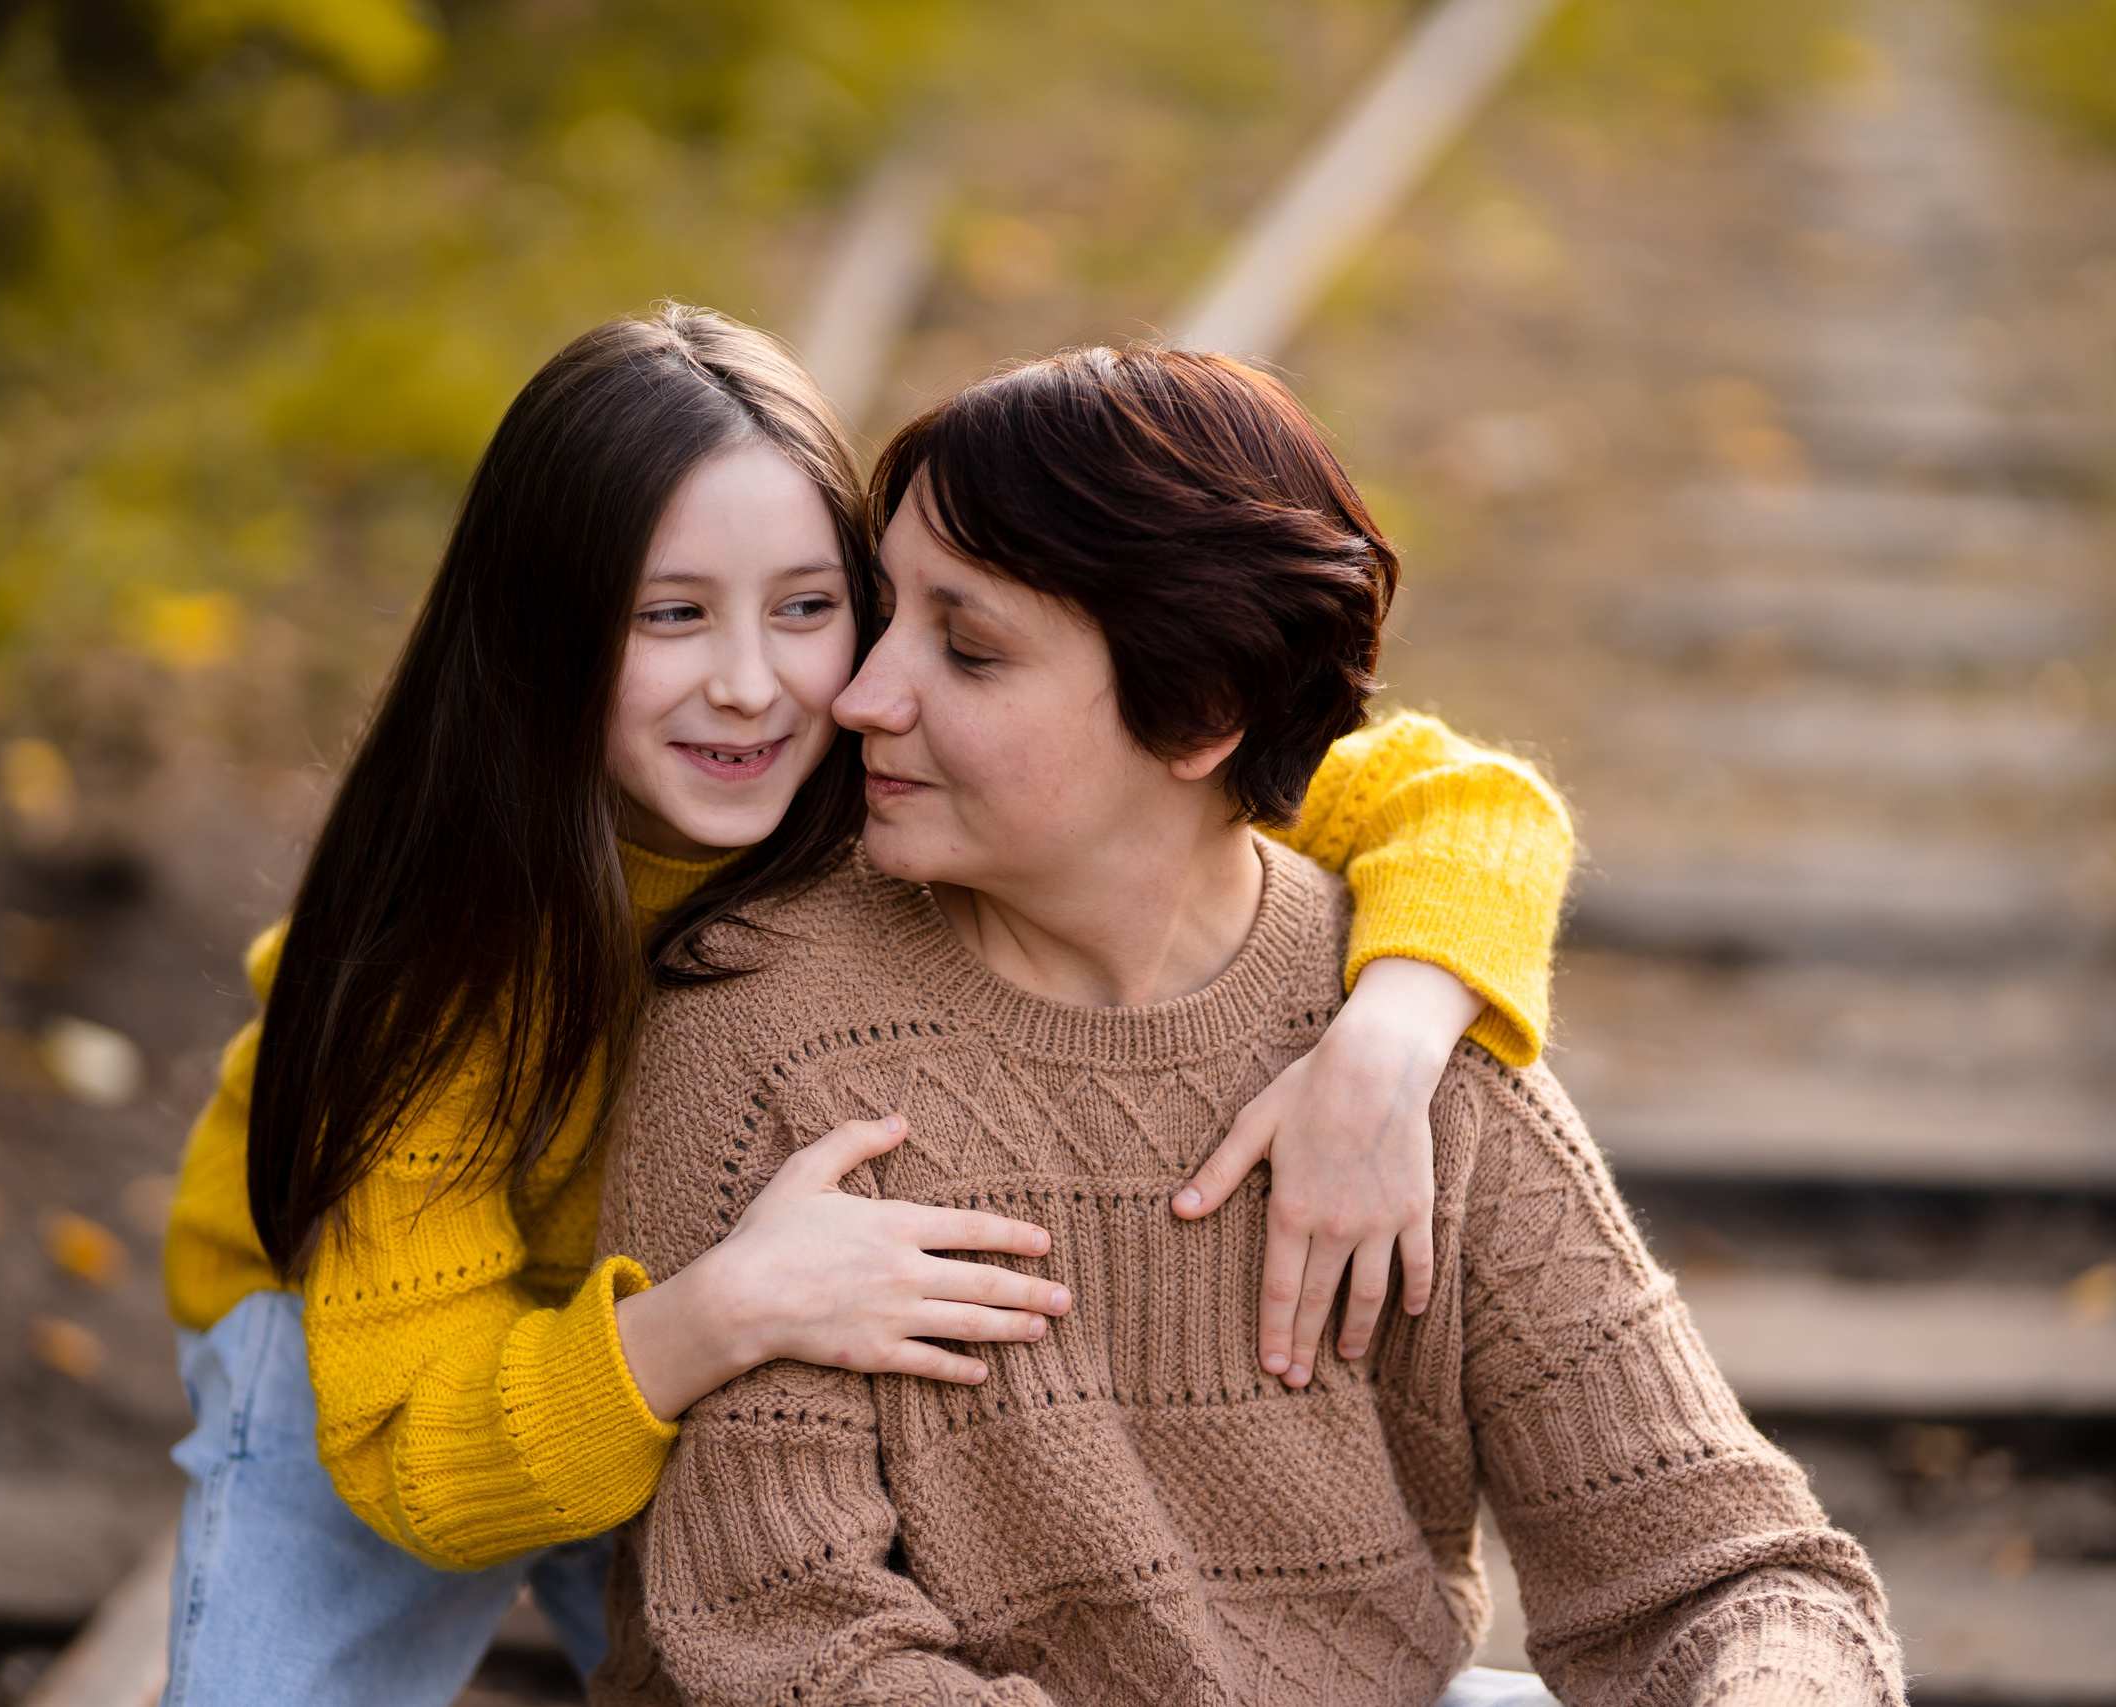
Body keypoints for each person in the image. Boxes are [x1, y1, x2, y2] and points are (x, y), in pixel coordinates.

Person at [158, 309, 1577, 1706]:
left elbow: (1457, 799)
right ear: (542, 633)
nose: (750, 682)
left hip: (740, 1330)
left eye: (806, 607)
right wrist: (716, 1315)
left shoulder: (900, 769)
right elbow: (423, 1466)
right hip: (386, 1367)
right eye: (670, 615)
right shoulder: (441, 954)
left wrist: (1387, 1044)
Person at [598, 345, 1904, 1706]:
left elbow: (1731, 1570)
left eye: (967, 648)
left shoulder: (1396, 1048)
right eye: (882, 616)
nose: (861, 695)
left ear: (1203, 714)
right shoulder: (760, 1033)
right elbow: (787, 1637)